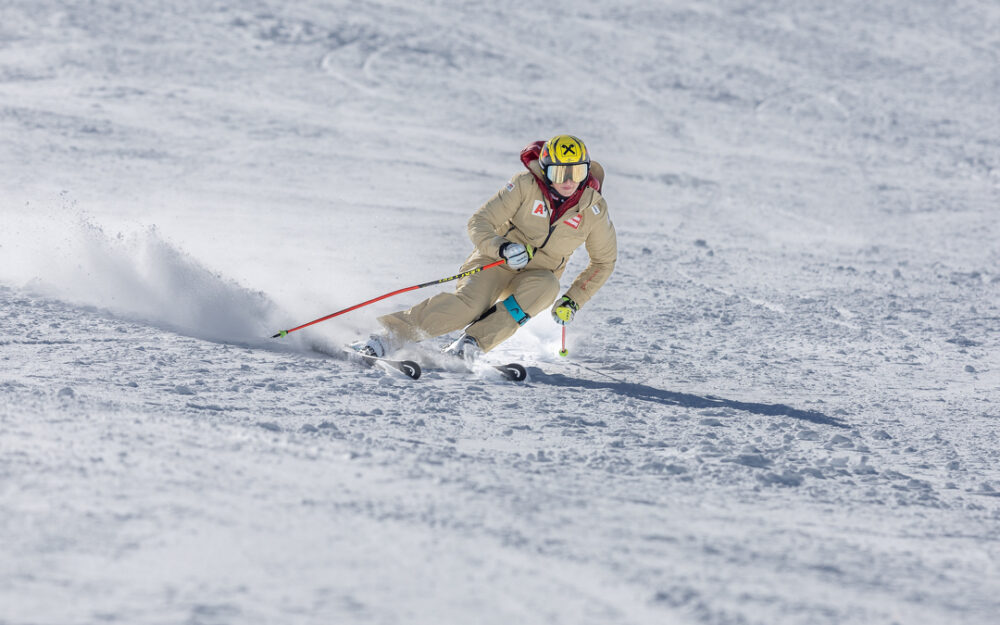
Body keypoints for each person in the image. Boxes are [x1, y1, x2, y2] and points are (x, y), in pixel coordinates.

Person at [357, 134, 617, 360]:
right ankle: (390, 336)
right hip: (496, 261)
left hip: (536, 276)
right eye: (561, 173)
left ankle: (471, 345)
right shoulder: (525, 186)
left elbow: (603, 262)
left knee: (547, 287)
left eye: (577, 172)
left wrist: (573, 301)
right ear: (546, 170)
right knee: (469, 306)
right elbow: (479, 221)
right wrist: (501, 248)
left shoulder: (593, 208)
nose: (569, 182)